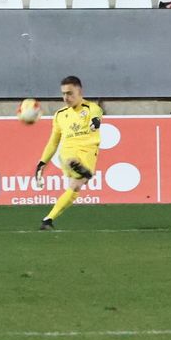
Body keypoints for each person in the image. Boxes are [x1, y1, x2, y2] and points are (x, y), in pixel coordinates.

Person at [32, 76, 104, 231]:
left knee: (75, 187)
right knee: (71, 160)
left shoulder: (91, 108)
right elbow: (53, 142)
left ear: (79, 92)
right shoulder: (60, 114)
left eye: (70, 93)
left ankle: (48, 220)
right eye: (63, 93)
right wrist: (42, 162)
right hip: (68, 151)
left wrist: (95, 122)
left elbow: (97, 115)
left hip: (88, 151)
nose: (66, 97)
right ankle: (75, 165)